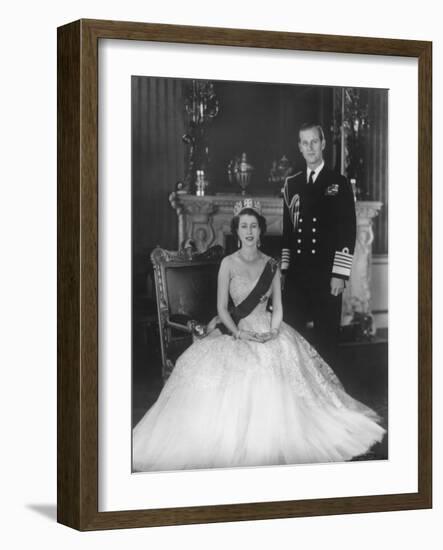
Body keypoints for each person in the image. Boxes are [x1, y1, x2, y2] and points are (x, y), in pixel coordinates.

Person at [133, 199, 384, 472]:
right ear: (237, 230)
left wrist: (274, 331)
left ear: (260, 230)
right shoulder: (228, 264)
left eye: (253, 226)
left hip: (267, 327)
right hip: (235, 329)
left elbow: (278, 307)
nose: (249, 231)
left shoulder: (271, 265)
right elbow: (220, 308)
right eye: (244, 226)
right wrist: (239, 332)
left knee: (279, 363)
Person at [281, 123, 357, 365]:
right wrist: (284, 270)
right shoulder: (291, 184)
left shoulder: (339, 183)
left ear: (323, 144)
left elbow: (348, 231)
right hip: (297, 275)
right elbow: (288, 232)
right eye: (305, 142)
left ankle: (328, 393)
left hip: (326, 274)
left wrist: (340, 274)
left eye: (314, 141)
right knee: (292, 336)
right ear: (300, 148)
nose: (310, 147)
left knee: (326, 339)